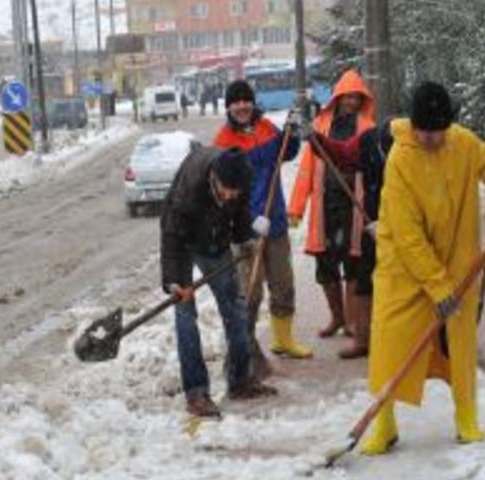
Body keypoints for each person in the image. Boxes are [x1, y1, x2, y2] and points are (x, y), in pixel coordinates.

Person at [361, 82, 485, 455]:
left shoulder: (464, 143)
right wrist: (437, 286)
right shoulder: (400, 159)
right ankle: (384, 425)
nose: (431, 139)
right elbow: (408, 236)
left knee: (459, 346)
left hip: (457, 262)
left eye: (438, 132)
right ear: (414, 125)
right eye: (424, 132)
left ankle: (467, 418)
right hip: (403, 267)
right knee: (390, 343)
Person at [161, 145, 278, 418]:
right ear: (214, 177)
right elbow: (171, 235)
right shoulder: (189, 190)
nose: (229, 196)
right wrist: (175, 282)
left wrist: (244, 239)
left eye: (234, 192)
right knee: (185, 316)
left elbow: (240, 213)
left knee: (235, 308)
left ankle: (240, 380)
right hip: (182, 241)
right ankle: (197, 393)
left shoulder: (241, 178)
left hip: (215, 240)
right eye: (225, 190)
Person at [213, 80, 312, 381]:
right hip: (244, 230)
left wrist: (291, 133)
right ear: (228, 107)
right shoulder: (223, 141)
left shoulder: (267, 128)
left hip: (275, 221)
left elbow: (287, 152)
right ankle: (245, 349)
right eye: (236, 102)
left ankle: (283, 339)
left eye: (246, 100)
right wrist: (246, 223)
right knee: (250, 292)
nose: (242, 106)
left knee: (283, 284)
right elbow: (221, 193)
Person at [288, 69, 376, 358]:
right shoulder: (321, 126)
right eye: (347, 96)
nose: (351, 102)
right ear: (337, 97)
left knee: (353, 262)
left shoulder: (367, 127)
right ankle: (336, 317)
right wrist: (296, 207)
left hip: (354, 205)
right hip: (325, 206)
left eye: (356, 97)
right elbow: (306, 169)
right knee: (325, 265)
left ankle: (352, 321)